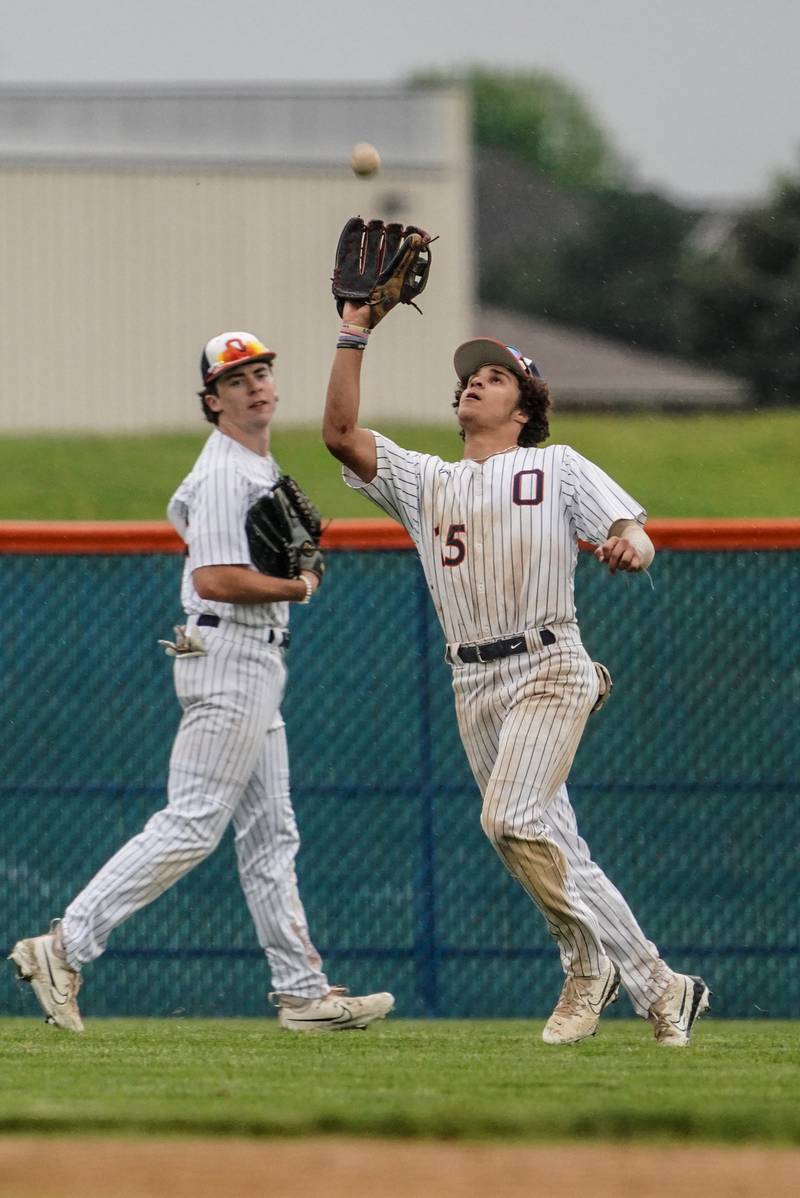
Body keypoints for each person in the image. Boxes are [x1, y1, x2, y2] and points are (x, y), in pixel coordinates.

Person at [323, 309, 710, 1047]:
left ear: (524, 407)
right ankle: (663, 987)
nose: (475, 382)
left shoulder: (555, 464)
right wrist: (354, 332)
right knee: (555, 847)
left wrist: (634, 548)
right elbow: (340, 435)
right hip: (474, 684)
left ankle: (583, 965)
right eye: (470, 376)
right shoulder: (423, 481)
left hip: (549, 663)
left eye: (496, 376)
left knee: (508, 821)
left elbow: (633, 529)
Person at [9, 331, 394, 1034]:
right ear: (213, 400)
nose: (256, 385)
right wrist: (299, 585)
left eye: (263, 372)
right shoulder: (227, 472)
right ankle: (64, 946)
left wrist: (286, 583)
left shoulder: (248, 466)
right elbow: (216, 577)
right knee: (191, 824)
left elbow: (181, 515)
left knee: (272, 835)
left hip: (251, 659)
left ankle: (302, 991)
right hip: (232, 655)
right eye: (238, 379)